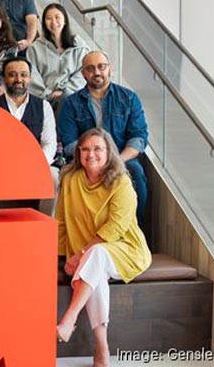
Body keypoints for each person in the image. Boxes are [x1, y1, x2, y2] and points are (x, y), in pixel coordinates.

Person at [55, 128, 152, 367]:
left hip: (125, 249)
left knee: (96, 254)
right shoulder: (70, 179)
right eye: (85, 149)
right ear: (78, 153)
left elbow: (115, 228)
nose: (91, 154)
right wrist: (59, 258)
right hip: (88, 256)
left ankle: (69, 318)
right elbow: (61, 222)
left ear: (109, 152)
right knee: (95, 268)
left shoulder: (121, 182)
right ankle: (102, 347)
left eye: (98, 148)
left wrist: (79, 255)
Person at [57, 51, 150, 224]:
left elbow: (139, 137)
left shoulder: (129, 98)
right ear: (83, 73)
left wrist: (117, 160)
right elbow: (69, 142)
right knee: (67, 177)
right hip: (85, 160)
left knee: (136, 174)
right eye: (90, 69)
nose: (97, 72)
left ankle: (135, 233)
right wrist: (93, 158)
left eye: (101, 67)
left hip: (122, 157)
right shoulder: (71, 103)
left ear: (110, 69)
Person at [0, 57, 60, 215]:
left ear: (30, 78)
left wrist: (34, 164)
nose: (19, 79)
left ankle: (46, 222)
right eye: (12, 75)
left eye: (23, 75)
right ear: (4, 79)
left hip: (35, 165)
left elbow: (49, 144)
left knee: (54, 176)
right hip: (0, 166)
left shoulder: (43, 106)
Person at [27, 3, 88, 105]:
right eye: (49, 18)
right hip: (44, 100)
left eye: (57, 17)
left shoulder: (79, 46)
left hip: (73, 97)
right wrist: (48, 94)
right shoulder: (35, 48)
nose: (53, 22)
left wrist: (66, 91)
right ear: (44, 23)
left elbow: (83, 72)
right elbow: (32, 75)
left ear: (65, 20)